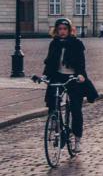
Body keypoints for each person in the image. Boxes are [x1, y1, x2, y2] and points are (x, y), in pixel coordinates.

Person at [41, 18, 98, 155]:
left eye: (64, 29)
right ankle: (57, 126)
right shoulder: (54, 43)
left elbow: (81, 62)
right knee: (51, 101)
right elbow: (49, 62)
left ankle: (77, 139)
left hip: (74, 77)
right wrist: (45, 76)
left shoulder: (76, 43)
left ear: (70, 30)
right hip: (58, 76)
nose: (62, 32)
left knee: (75, 108)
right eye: (59, 29)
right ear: (56, 30)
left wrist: (80, 75)